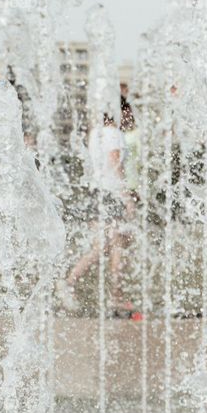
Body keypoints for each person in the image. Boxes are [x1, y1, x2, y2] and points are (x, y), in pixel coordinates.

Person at [57, 112, 136, 314]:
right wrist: (127, 196)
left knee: (111, 245)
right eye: (128, 111)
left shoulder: (96, 134)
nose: (131, 117)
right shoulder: (113, 133)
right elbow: (115, 163)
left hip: (98, 194)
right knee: (112, 245)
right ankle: (73, 282)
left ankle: (113, 295)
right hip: (113, 195)